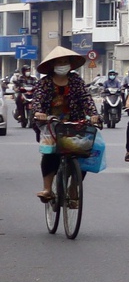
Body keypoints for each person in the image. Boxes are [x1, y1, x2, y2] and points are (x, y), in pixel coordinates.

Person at [29, 46, 101, 201]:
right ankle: (47, 189)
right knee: (50, 154)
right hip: (51, 124)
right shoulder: (45, 83)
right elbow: (37, 101)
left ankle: (74, 188)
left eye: (65, 61)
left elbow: (86, 98)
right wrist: (38, 113)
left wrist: (93, 114)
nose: (63, 64)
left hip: (75, 122)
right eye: (59, 62)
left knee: (83, 155)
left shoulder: (76, 81)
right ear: (53, 65)